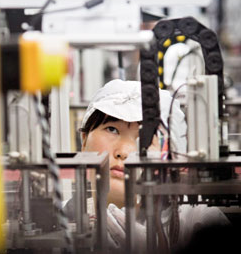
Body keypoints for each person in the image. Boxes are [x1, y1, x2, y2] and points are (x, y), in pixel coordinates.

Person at [78, 79, 229, 250]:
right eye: (112, 129)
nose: (125, 152)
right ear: (83, 140)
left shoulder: (200, 221)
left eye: (146, 136)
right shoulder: (62, 219)